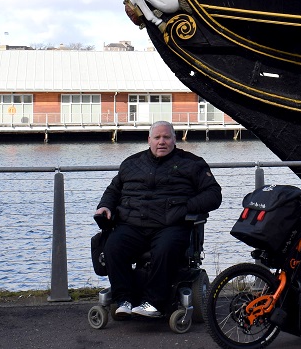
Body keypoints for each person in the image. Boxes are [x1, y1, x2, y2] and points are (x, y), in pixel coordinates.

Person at [95, 121, 223, 318]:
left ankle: (154, 302)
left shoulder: (192, 163)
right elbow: (113, 190)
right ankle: (124, 300)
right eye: (157, 137)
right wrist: (105, 206)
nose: (161, 142)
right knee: (113, 246)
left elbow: (214, 194)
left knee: (165, 249)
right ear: (149, 140)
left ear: (175, 139)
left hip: (170, 224)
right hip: (133, 224)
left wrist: (185, 208)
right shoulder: (131, 163)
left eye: (166, 137)